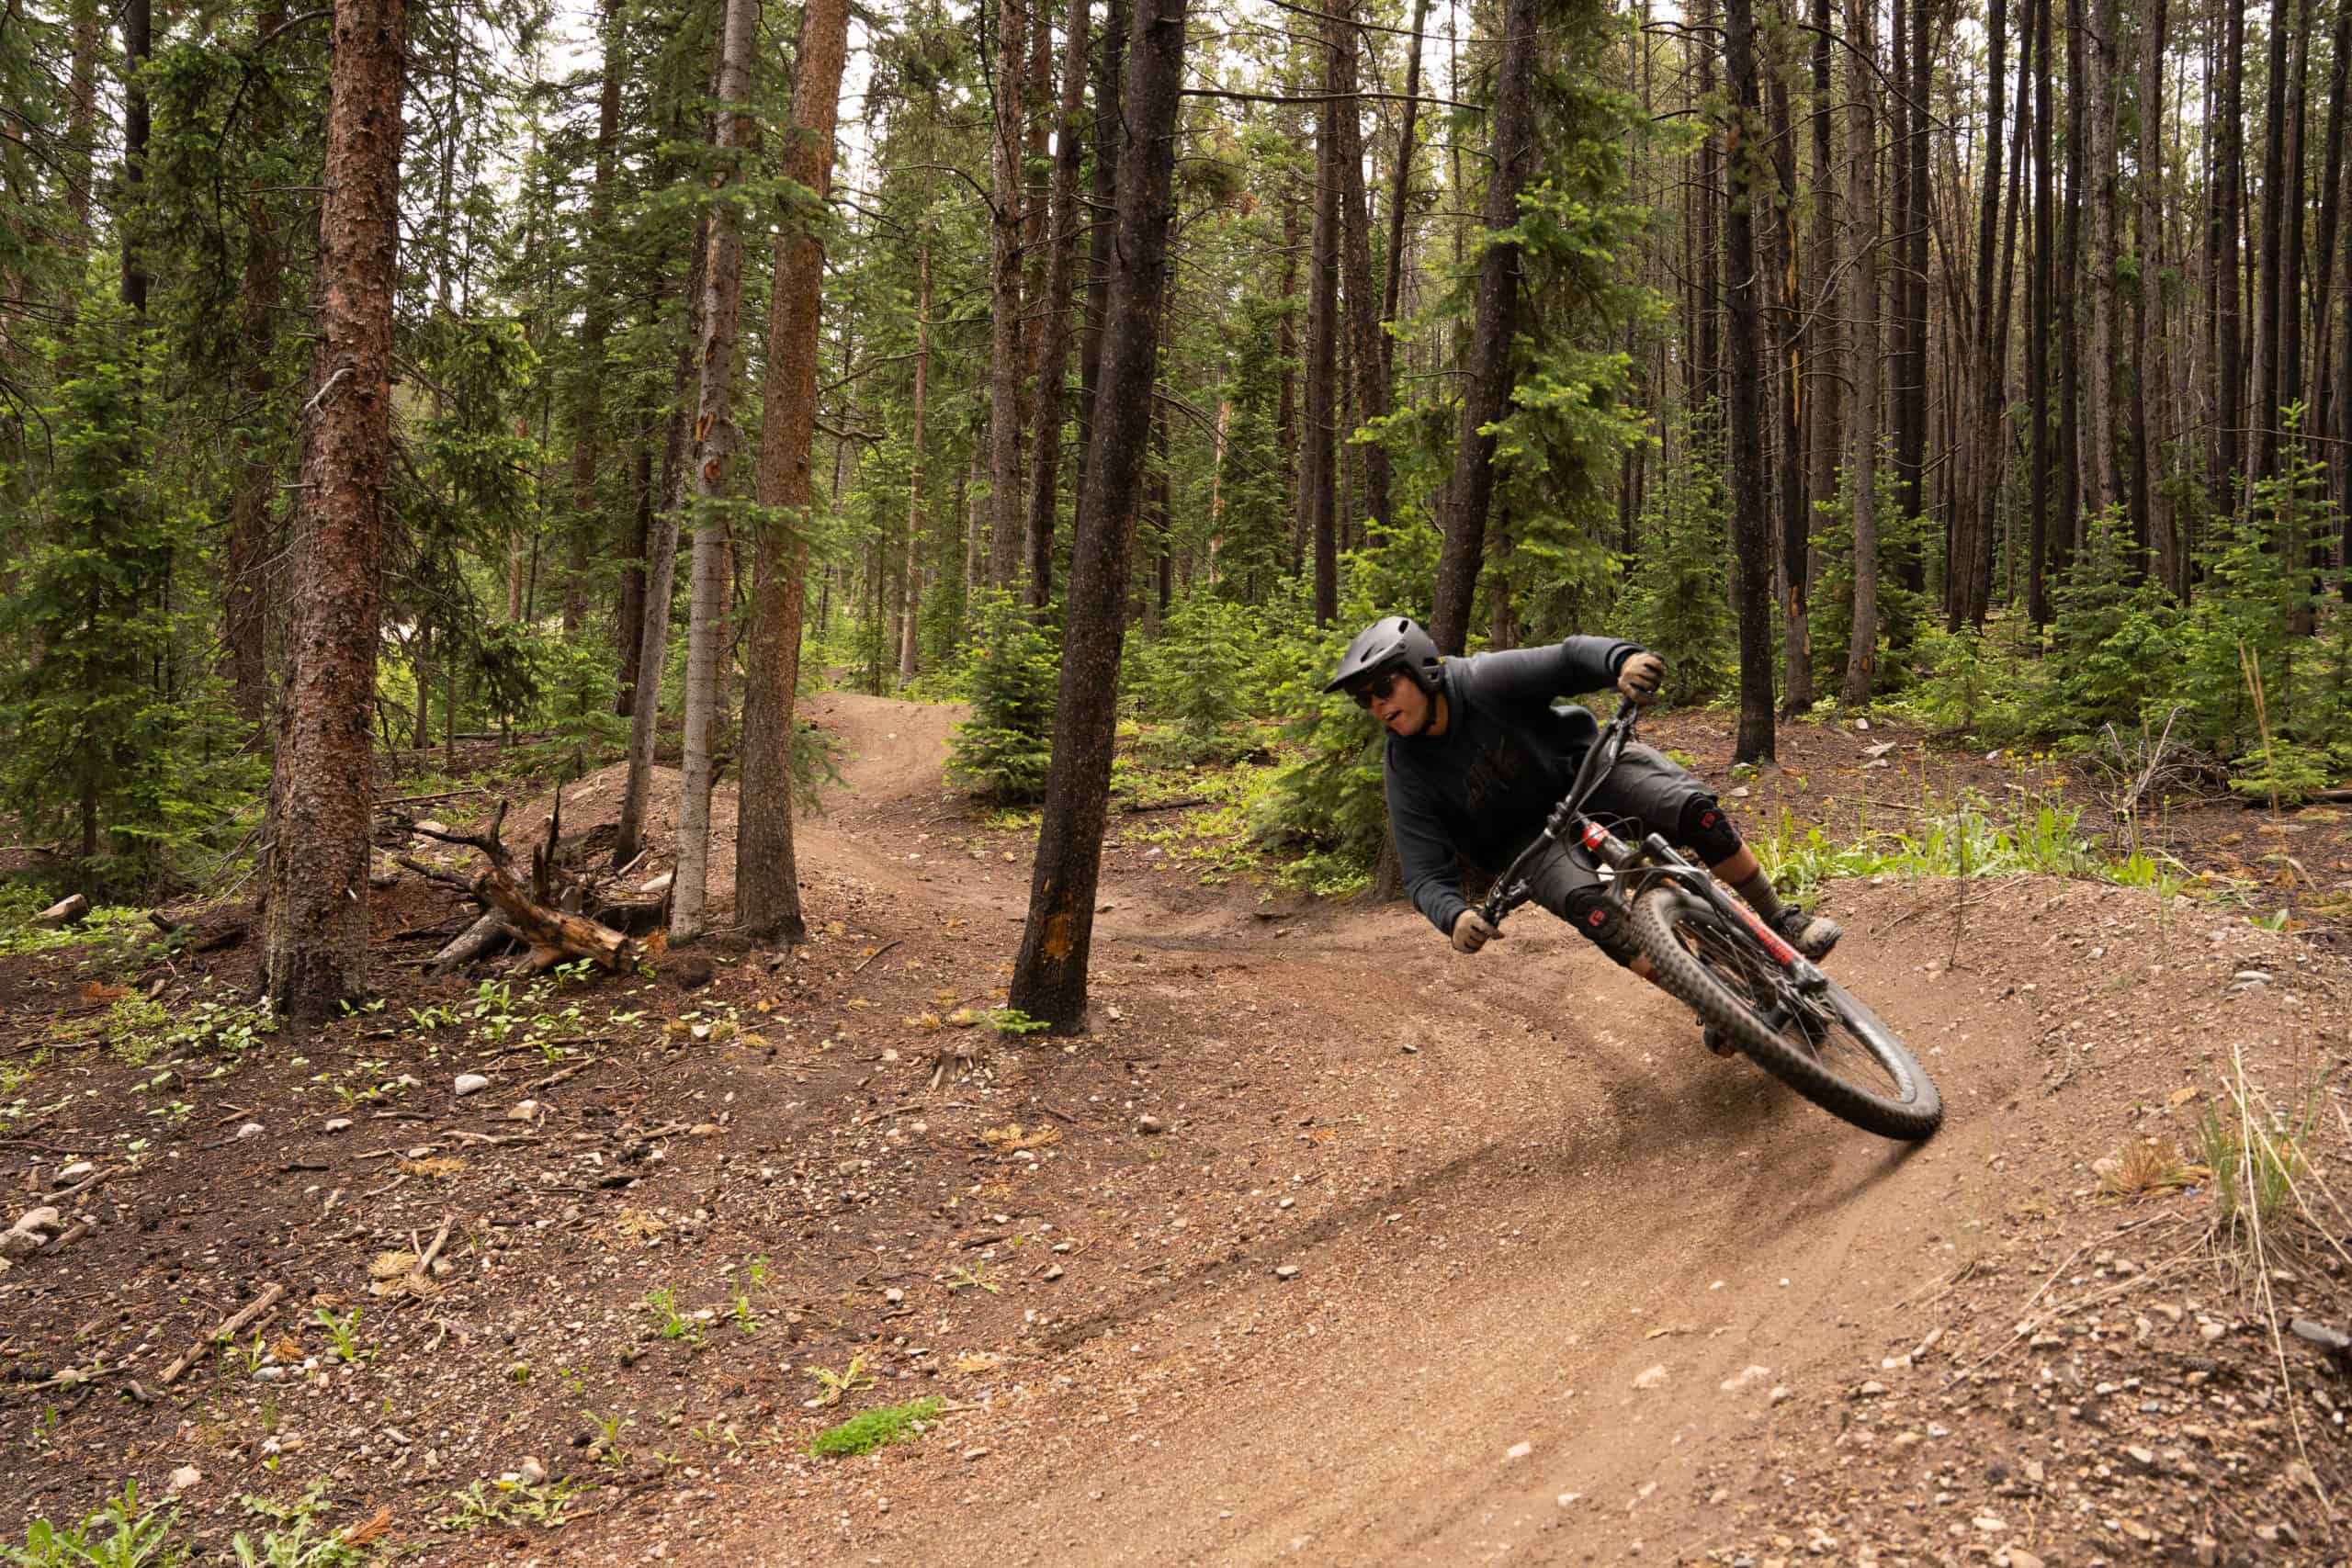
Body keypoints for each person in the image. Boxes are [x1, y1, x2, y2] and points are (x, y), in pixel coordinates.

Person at [1324, 616, 1837, 1042]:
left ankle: (1780, 916)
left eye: (1384, 687)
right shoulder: (1407, 771)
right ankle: (1708, 998)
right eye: (1364, 700)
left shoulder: (1479, 681)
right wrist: (1453, 915)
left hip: (1585, 772)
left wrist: (1622, 661)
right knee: (1595, 914)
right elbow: (1422, 873)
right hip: (1530, 841)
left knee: (1694, 814)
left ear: (1421, 668)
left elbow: (1568, 660)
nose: (1378, 705)